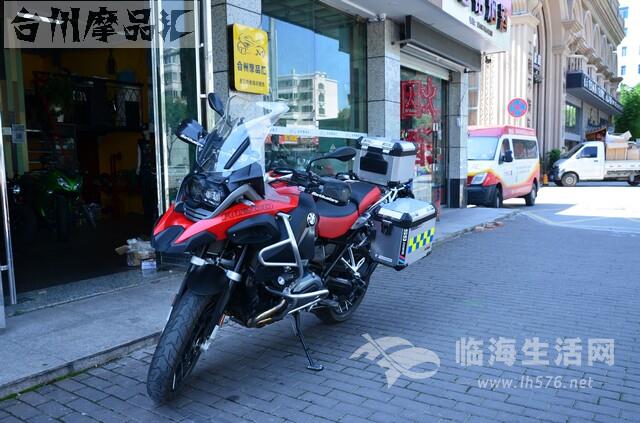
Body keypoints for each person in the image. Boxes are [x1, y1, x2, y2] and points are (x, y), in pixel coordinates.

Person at [137, 126, 158, 233]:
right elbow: (139, 157)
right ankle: (148, 220)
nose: (145, 132)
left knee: (153, 196)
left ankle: (153, 219)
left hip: (152, 171)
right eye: (144, 130)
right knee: (147, 197)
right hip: (146, 171)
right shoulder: (141, 143)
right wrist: (138, 169)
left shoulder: (155, 140)